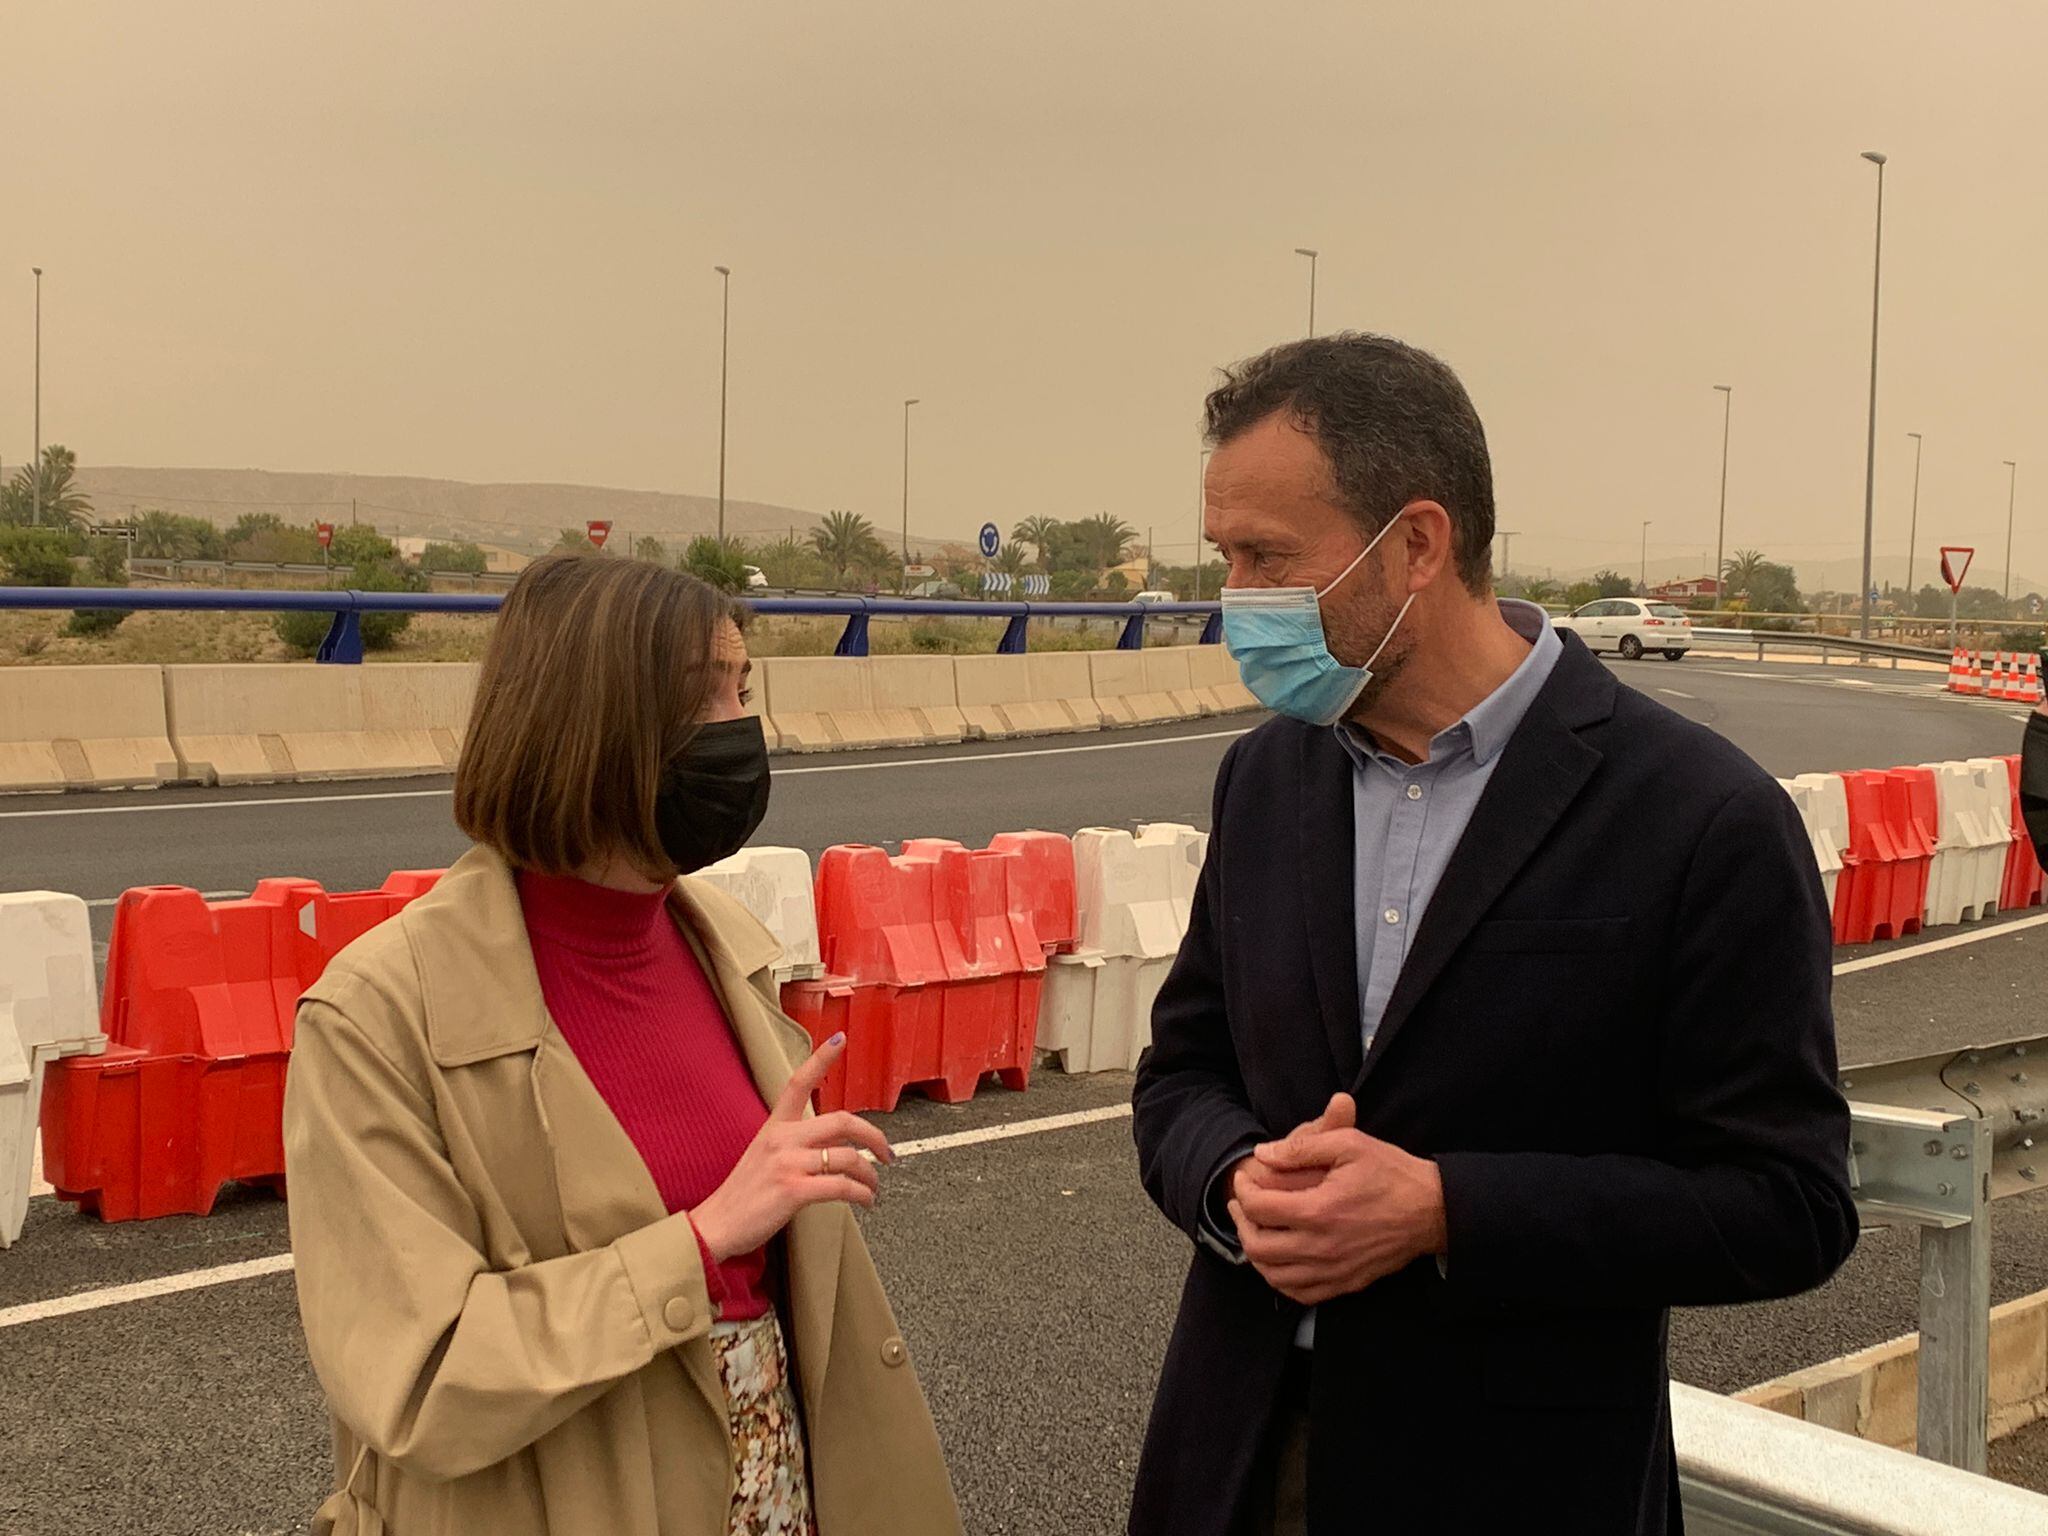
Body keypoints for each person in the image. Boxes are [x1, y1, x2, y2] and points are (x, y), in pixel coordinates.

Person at [1129, 335, 1857, 1536]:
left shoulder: (1699, 818)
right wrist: (1229, 1178)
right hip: (1234, 1459)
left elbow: (1785, 1204)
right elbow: (1183, 1072)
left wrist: (1445, 1209)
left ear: (1417, 544)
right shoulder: (1265, 779)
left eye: (1269, 559)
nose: (1237, 600)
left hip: (1516, 1483)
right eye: (1226, 558)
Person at [283, 554, 961, 1536]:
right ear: (582, 725)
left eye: (743, 689)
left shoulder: (724, 949)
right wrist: (696, 1244)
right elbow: (420, 1378)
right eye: (700, 696)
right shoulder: (377, 1018)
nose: (739, 728)